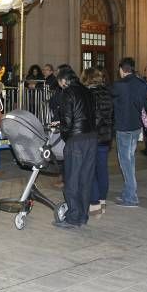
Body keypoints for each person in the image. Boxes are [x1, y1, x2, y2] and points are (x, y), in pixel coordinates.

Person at [54, 68, 97, 230]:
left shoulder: (67, 93)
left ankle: (73, 218)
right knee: (85, 179)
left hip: (76, 140)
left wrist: (66, 136)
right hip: (91, 138)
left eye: (60, 84)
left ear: (64, 81)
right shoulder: (87, 91)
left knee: (72, 179)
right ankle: (83, 216)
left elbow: (67, 120)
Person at [112, 57, 147, 207]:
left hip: (123, 127)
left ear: (121, 69)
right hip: (136, 126)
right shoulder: (141, 83)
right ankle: (128, 192)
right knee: (130, 159)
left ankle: (131, 196)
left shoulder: (119, 85)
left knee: (125, 161)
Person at [83, 68, 113, 217]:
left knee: (91, 169)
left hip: (93, 136)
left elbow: (93, 117)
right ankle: (102, 201)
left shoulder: (89, 94)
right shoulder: (108, 92)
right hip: (106, 136)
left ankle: (94, 203)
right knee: (102, 169)